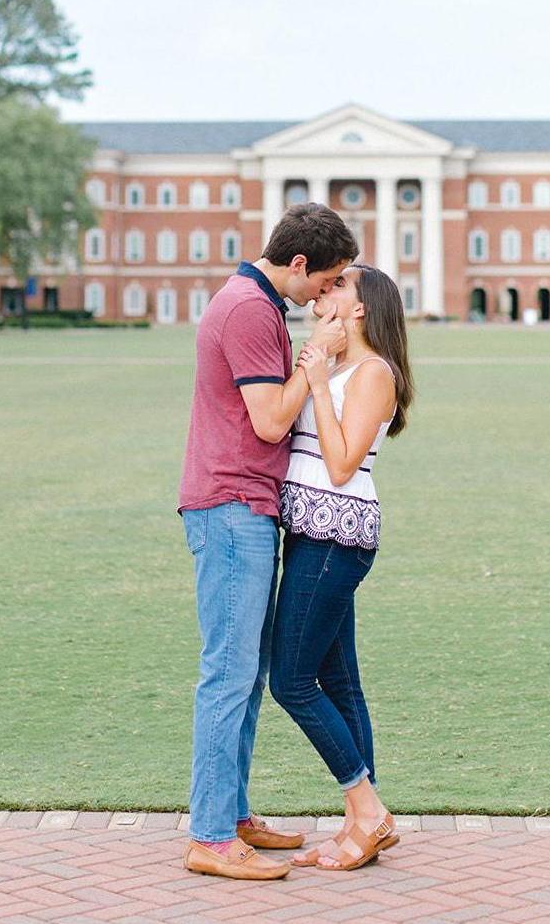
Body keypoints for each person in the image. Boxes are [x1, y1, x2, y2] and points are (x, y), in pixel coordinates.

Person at [179, 203, 360, 881]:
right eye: (328, 278)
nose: (327, 292)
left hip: (242, 506)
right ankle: (210, 835)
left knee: (244, 672)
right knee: (228, 671)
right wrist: (320, 359)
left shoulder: (251, 300)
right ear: (298, 264)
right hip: (230, 505)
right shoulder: (252, 310)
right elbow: (268, 418)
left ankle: (230, 814)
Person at [270, 263, 415, 871]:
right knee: (341, 681)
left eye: (338, 287)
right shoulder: (335, 364)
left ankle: (368, 808)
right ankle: (365, 822)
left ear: (360, 310)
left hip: (337, 535)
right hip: (311, 531)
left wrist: (319, 376)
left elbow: (340, 464)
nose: (323, 291)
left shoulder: (374, 372)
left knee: (292, 682)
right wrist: (315, 371)